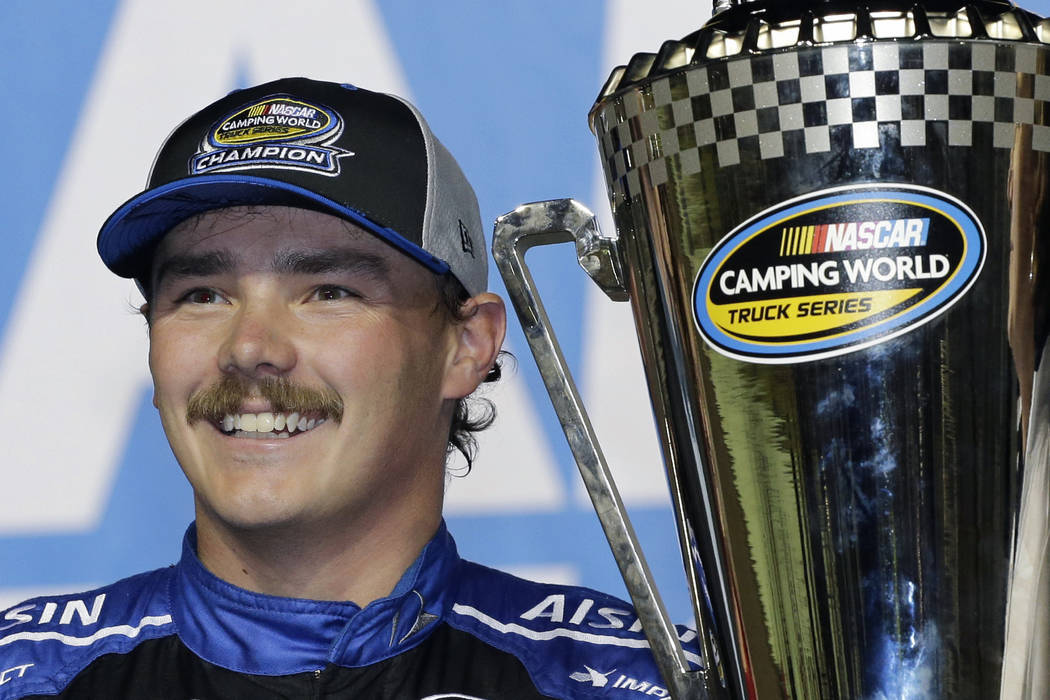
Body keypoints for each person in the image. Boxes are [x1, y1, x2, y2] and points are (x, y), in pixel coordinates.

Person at [0, 77, 698, 698]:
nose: (249, 347)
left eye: (328, 291)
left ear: (467, 345)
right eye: (203, 294)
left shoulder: (640, 680)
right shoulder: (28, 673)